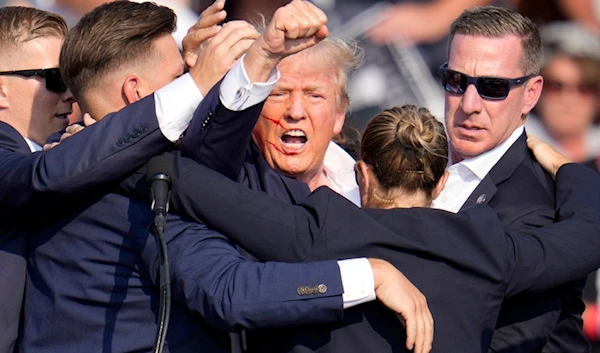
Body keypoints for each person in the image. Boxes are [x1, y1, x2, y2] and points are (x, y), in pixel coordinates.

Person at [22, 2, 433, 353]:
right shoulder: (143, 186)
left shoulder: (61, 168)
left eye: (315, 95)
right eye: (179, 82)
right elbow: (232, 291)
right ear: (136, 93)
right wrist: (368, 275)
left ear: (342, 111)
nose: (191, 91)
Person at [121, 103, 600, 352]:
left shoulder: (318, 231)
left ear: (361, 173)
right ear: (443, 183)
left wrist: (100, 141)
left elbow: (180, 178)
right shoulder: (492, 249)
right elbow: (589, 233)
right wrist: (564, 166)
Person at [0, 5, 234, 352]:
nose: (69, 93)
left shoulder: (59, 149)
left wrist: (172, 70)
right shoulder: (33, 164)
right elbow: (40, 179)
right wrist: (191, 86)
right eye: (54, 78)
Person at [431, 6, 587, 352]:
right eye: (456, 81)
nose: (469, 104)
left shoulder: (541, 207)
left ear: (531, 93)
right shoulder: (413, 164)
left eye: (492, 87)